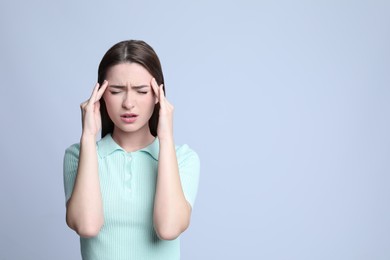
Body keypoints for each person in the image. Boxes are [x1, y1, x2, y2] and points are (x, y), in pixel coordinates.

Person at [63, 40, 200, 260]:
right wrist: (88, 137)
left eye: (141, 91)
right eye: (116, 91)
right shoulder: (79, 155)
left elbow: (168, 229)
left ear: (158, 96)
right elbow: (87, 225)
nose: (128, 103)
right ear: (100, 95)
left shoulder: (183, 158)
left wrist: (166, 139)